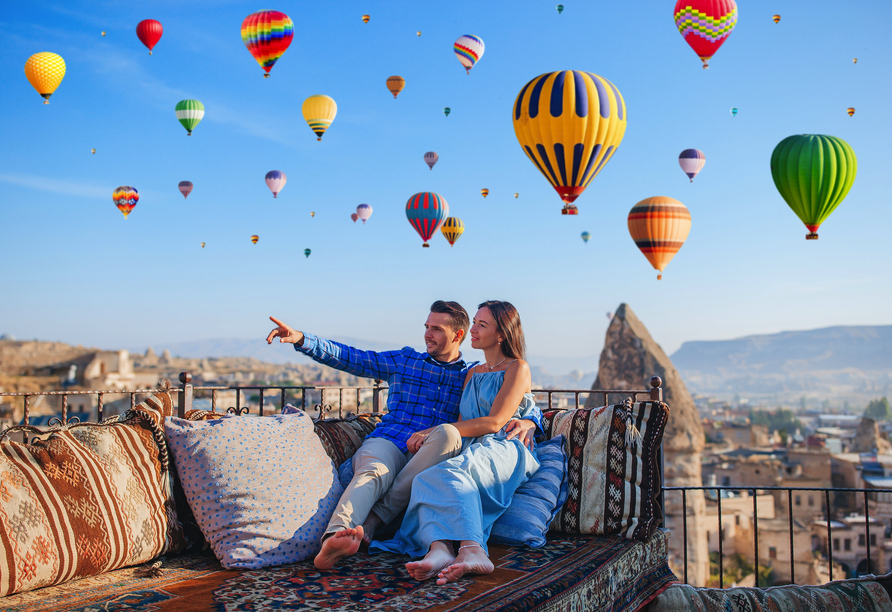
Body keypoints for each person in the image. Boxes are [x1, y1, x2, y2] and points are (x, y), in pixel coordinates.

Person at [265, 301, 539, 570]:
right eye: (426, 327)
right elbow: (353, 358)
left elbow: (511, 403)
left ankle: (374, 521)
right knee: (374, 471)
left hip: (429, 449)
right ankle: (334, 538)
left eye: (436, 329)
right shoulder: (405, 360)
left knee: (447, 435)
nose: (427, 334)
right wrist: (302, 340)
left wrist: (531, 420)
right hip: (390, 439)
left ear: (457, 335)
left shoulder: (467, 375)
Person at [370, 300, 540, 586]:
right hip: (472, 446)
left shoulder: (517, 368)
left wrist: (532, 421)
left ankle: (473, 550)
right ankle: (440, 549)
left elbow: (496, 421)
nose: (471, 329)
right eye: (473, 322)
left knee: (452, 474)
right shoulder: (472, 373)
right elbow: (464, 421)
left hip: (504, 445)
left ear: (502, 334)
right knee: (426, 477)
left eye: (481, 325)